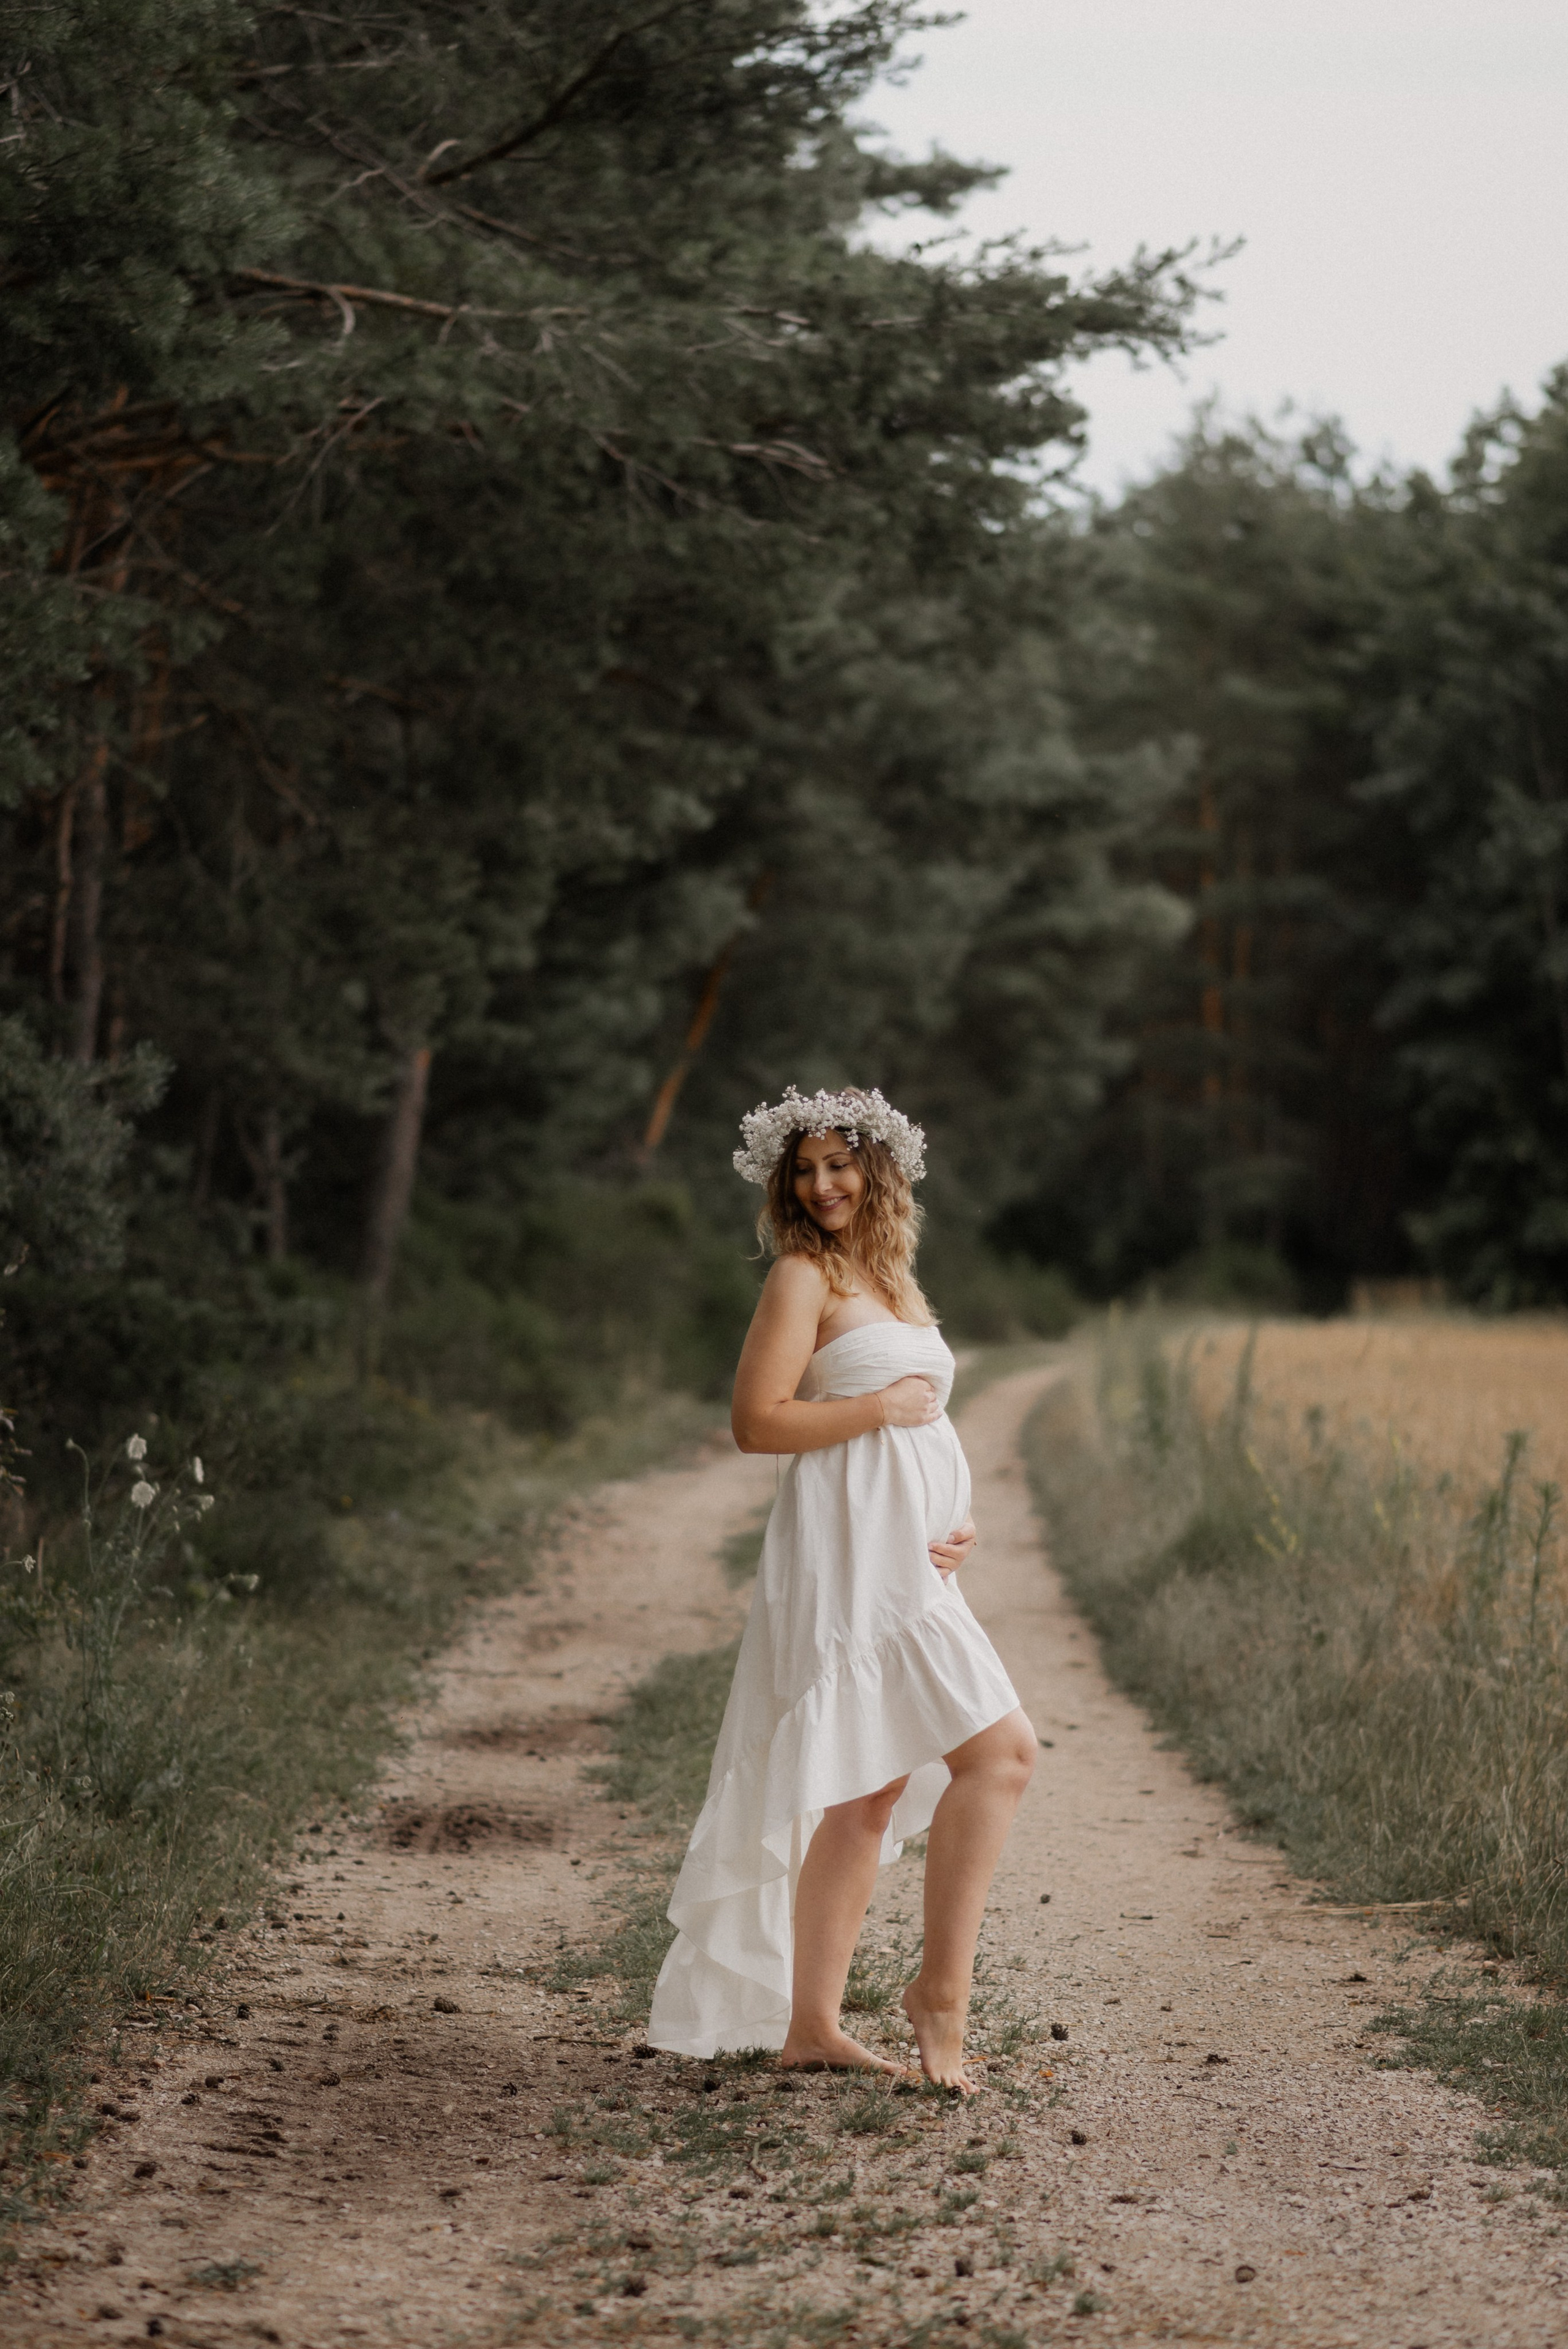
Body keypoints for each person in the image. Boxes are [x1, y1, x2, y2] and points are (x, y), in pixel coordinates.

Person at [647, 1085, 1036, 2091]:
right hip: (845, 1556)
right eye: (806, 1170)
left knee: (869, 1790)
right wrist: (872, 1406)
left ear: (879, 1173)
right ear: (788, 1182)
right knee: (1000, 1755)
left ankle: (812, 2024)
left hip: (909, 1557)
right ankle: (937, 1995)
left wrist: (957, 1517)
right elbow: (758, 1423)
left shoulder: (895, 1281)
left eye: (839, 1166)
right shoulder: (799, 1278)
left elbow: (926, 1422)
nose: (823, 1186)